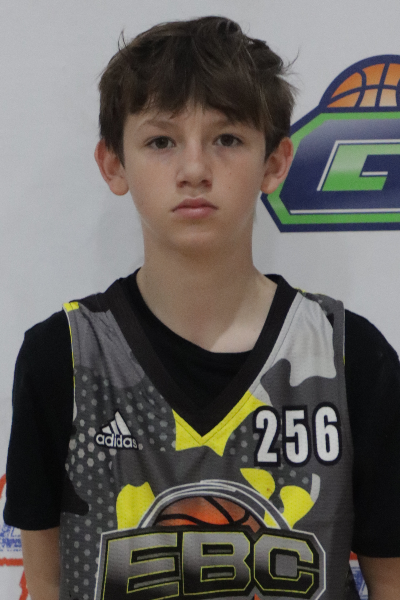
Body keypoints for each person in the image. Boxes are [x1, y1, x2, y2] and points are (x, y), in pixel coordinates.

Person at [4, 16, 400, 600]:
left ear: (275, 163)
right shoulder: (60, 357)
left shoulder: (351, 358)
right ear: (114, 164)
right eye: (161, 142)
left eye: (227, 139)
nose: (194, 170)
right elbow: (45, 584)